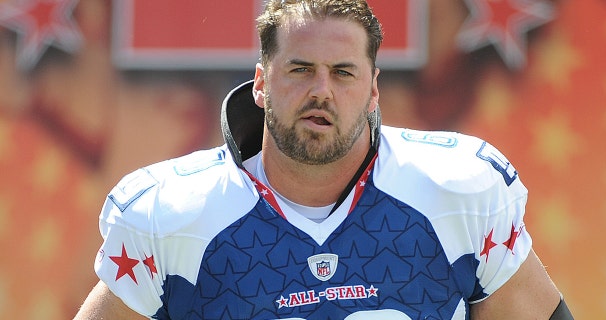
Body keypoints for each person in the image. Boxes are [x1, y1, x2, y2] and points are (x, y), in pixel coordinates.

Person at [74, 0, 573, 319]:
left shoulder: (459, 189)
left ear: (374, 88)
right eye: (300, 70)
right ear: (262, 84)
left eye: (342, 72)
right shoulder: (169, 213)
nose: (321, 91)